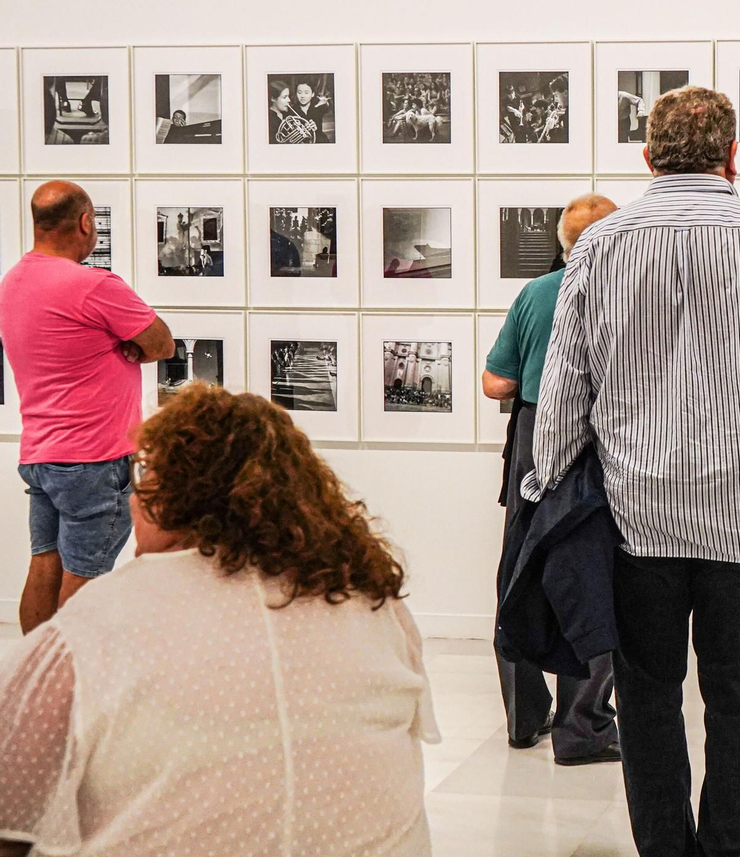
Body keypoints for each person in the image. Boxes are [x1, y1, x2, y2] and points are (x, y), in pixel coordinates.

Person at [527, 86, 740, 857]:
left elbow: (565, 383)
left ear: (647, 158)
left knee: (647, 696)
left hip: (634, 519)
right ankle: (731, 845)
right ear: (733, 155)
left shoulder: (601, 245)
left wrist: (552, 485)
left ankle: (664, 846)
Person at [0, 385, 437, 855]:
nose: (133, 497)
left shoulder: (101, 618)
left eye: (145, 475)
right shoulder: (373, 602)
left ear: (172, 496)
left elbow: (10, 811)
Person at [482, 192, 622, 764]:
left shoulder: (535, 293)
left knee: (519, 570)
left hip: (534, 440)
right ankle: (581, 727)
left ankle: (522, 718)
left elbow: (494, 382)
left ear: (563, 244)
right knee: (594, 583)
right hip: (601, 444)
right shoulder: (627, 295)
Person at [0, 182, 175, 634]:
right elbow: (160, 344)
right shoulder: (94, 284)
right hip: (93, 458)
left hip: (41, 453)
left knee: (45, 562)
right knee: (88, 578)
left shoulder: (14, 280)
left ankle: (29, 675)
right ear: (84, 223)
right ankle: (70, 686)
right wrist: (128, 347)